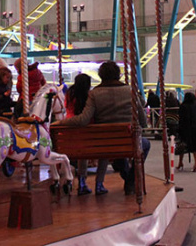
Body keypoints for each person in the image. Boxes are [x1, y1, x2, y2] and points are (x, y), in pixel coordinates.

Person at [55, 61, 149, 195]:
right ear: (118, 75)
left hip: (103, 143)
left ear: (101, 76)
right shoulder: (130, 91)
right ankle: (130, 180)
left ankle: (125, 178)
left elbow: (83, 119)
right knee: (145, 145)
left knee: (114, 151)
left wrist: (62, 123)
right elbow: (143, 120)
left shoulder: (94, 94)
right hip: (128, 140)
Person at [65, 73, 93, 196]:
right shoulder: (89, 96)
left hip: (68, 128)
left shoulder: (69, 94)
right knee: (84, 152)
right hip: (84, 130)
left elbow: (66, 107)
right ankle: (82, 181)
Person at [176, 92, 196, 171]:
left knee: (182, 146)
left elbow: (180, 118)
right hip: (194, 128)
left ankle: (180, 162)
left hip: (185, 128)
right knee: (195, 146)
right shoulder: (195, 106)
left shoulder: (183, 106)